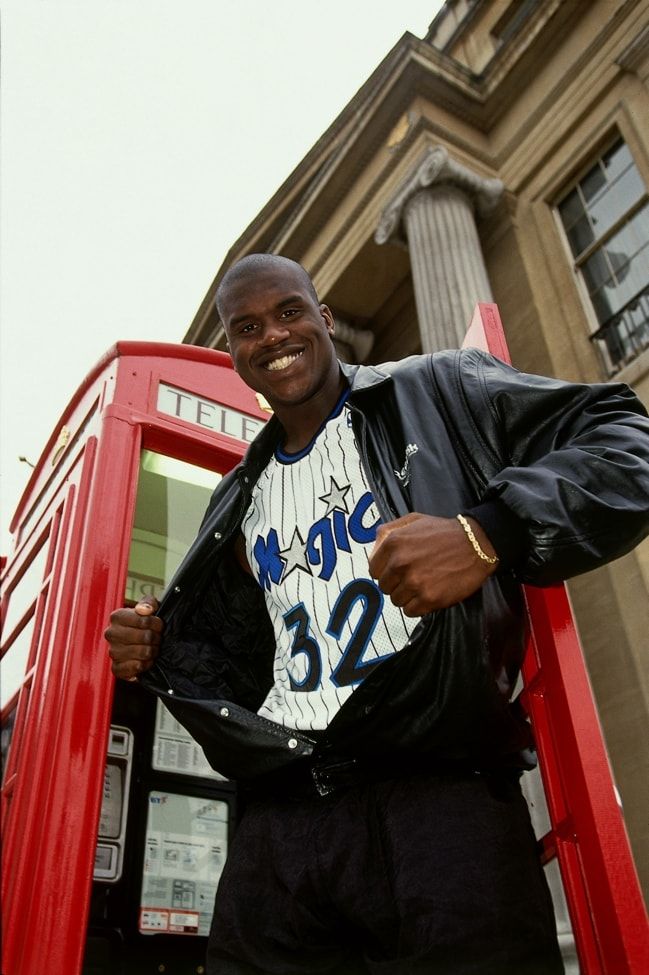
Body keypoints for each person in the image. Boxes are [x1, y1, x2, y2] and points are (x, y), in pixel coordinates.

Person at [106, 253, 649, 974]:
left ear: (324, 319)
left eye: (289, 311)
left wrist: (488, 531)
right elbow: (243, 665)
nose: (272, 335)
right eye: (246, 327)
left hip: (437, 796)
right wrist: (157, 648)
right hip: (281, 827)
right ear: (231, 352)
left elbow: (624, 443)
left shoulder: (438, 387)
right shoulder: (236, 498)